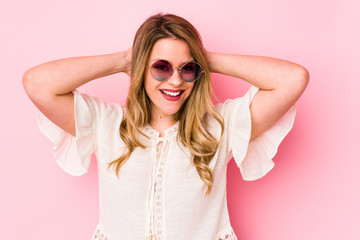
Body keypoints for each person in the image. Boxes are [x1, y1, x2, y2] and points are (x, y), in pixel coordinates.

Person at [22, 13, 309, 240]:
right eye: (161, 67)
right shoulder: (105, 124)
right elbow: (37, 83)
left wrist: (204, 59)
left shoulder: (220, 128)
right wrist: (124, 60)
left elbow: (293, 78)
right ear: (140, 68)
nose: (175, 81)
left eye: (187, 69)